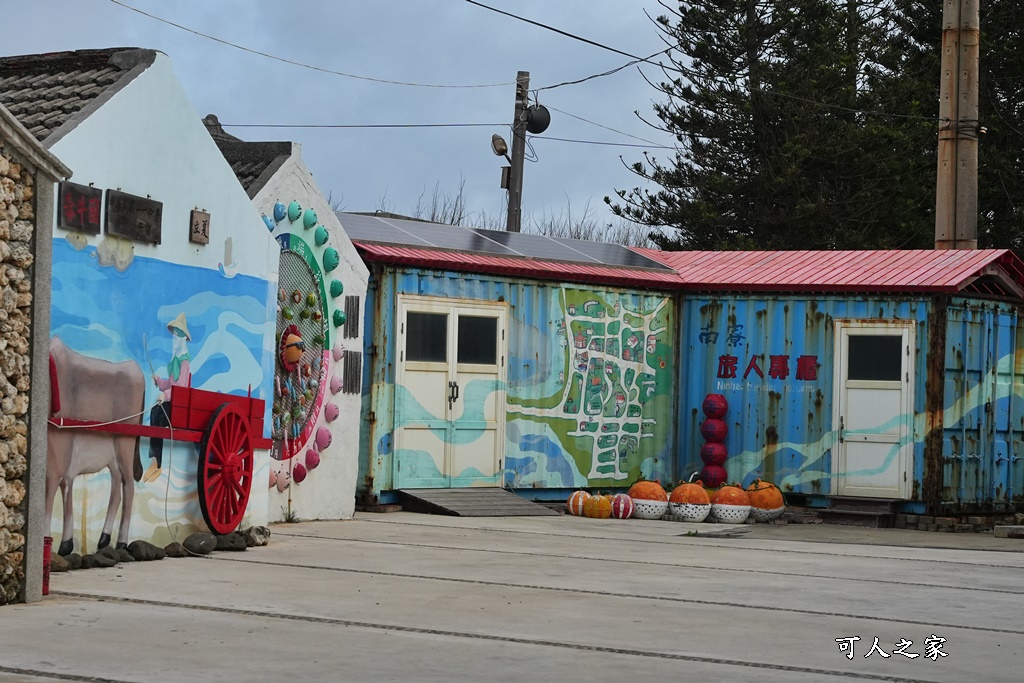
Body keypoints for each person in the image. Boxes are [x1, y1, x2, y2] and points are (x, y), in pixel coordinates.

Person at [143, 312, 192, 483]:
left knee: (158, 413)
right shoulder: (174, 362)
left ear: (184, 338)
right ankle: (155, 460)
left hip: (179, 406)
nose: (175, 338)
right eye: (174, 334)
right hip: (173, 401)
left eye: (178, 335)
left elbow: (180, 389)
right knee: (156, 412)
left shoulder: (184, 363)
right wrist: (159, 382)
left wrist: (166, 395)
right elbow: (169, 385)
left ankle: (157, 462)